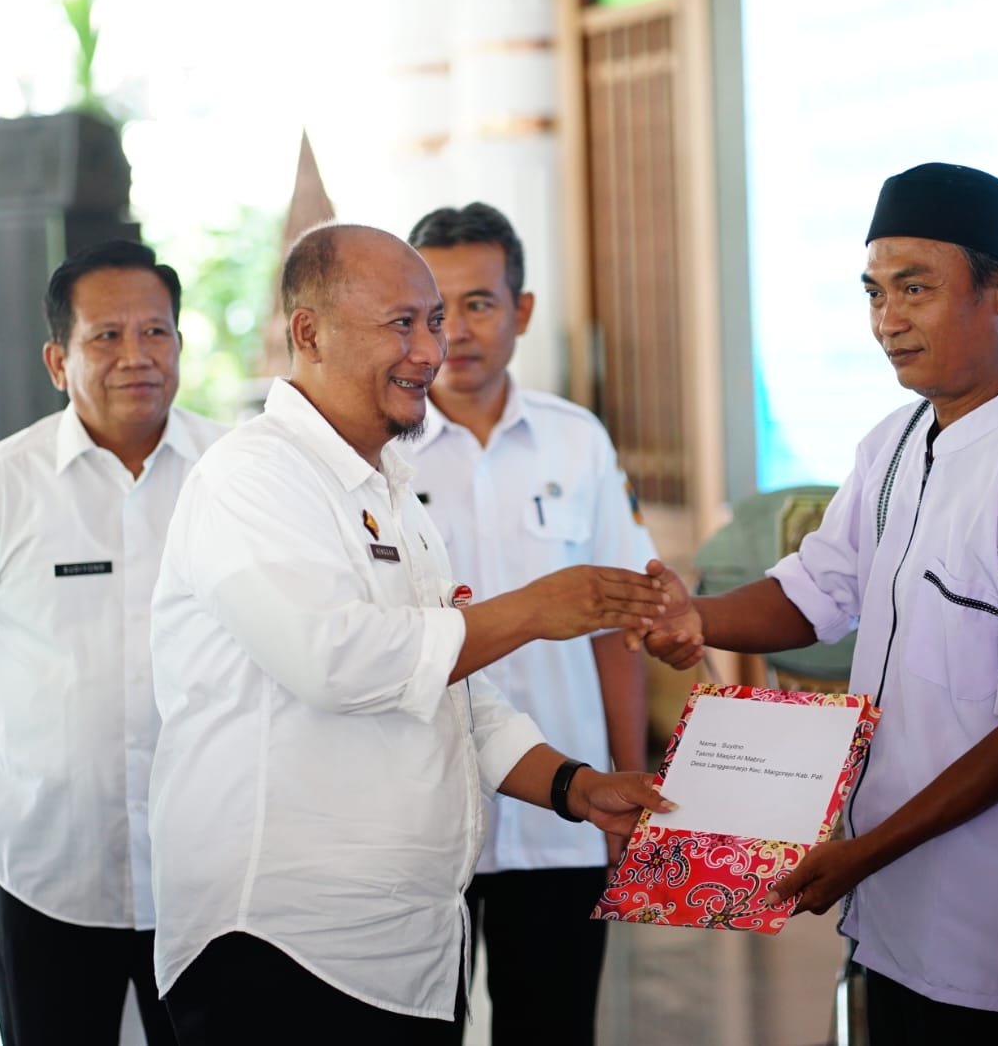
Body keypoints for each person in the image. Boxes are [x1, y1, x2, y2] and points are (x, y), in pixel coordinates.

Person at [148, 223, 675, 1045]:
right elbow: (338, 661)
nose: (432, 350)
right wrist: (534, 609)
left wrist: (573, 785)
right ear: (309, 332)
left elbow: (452, 690)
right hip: (285, 946)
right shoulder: (250, 477)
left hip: (408, 951)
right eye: (405, 323)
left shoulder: (388, 486)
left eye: (436, 320)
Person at [641, 164, 998, 1042]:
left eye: (916, 289)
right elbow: (817, 590)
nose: (886, 321)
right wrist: (696, 618)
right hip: (886, 904)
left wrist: (864, 851)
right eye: (873, 293)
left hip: (990, 926)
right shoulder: (894, 441)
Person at [0, 239, 223, 1046]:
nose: (136, 356)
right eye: (105, 336)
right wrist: (17, 752)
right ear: (57, 359)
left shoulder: (236, 474)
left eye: (156, 332)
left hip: (213, 873)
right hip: (48, 867)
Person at [399, 202, 655, 1045]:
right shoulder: (381, 450)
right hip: (417, 813)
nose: (457, 332)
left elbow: (621, 624)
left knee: (552, 1028)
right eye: (434, 310)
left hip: (564, 805)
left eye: (479, 303)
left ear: (524, 310)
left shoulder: (574, 441)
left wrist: (628, 772)